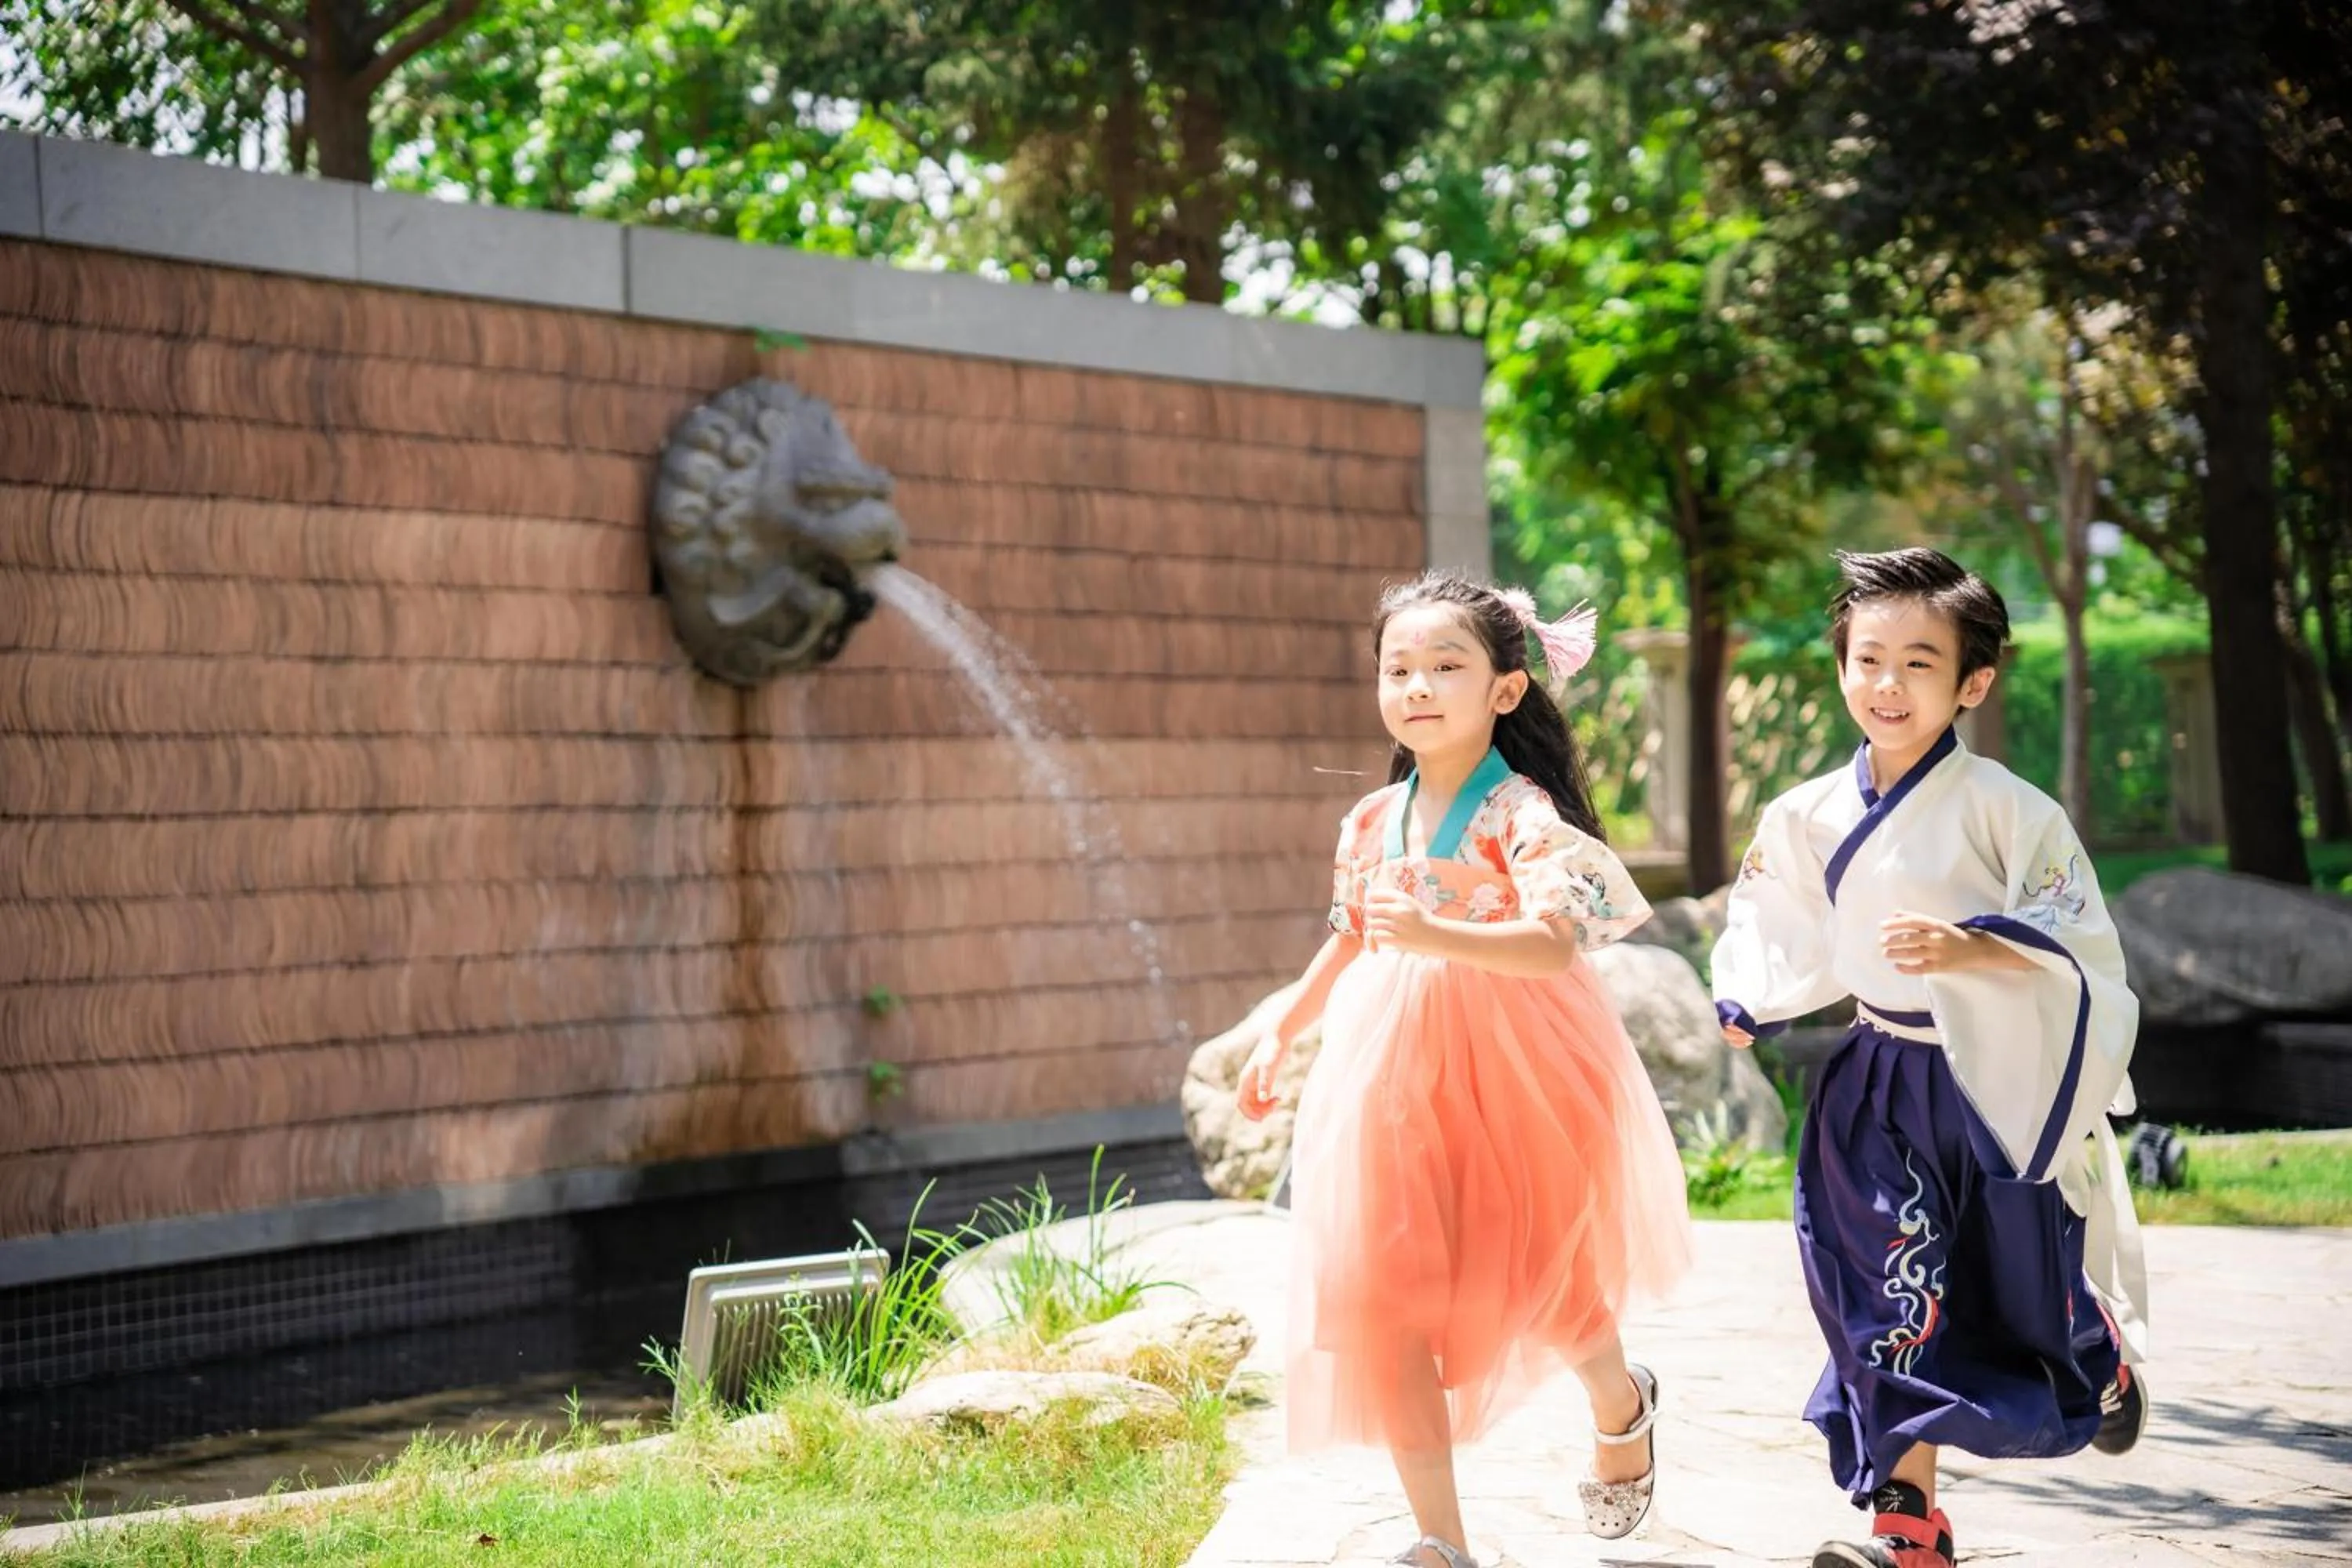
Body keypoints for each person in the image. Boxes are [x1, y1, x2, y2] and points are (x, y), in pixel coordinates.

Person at [1237, 571, 1692, 1568]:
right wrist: (1282, 1032)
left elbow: (1554, 944)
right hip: (1385, 1075)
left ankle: (1621, 1400)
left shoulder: (1520, 811)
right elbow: (1349, 937)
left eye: (1447, 665)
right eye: (1398, 667)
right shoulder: (1368, 818)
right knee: (1384, 1287)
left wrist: (1441, 930)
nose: (1418, 686)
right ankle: (1441, 1539)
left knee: (1537, 1269)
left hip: (1517, 1062)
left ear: (1505, 689)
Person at [1711, 548, 2151, 1568]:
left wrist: (1975, 946)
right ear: (1841, 668)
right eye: (1868, 659)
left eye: (1919, 662)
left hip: (1990, 1081)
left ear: (1973, 682)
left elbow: (2081, 941)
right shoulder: (1807, 812)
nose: (1887, 685)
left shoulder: (2012, 808)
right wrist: (1752, 994)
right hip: (1876, 1086)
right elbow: (1776, 911)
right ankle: (1908, 1522)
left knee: (2010, 1279)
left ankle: (2092, 1346)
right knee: (1887, 1290)